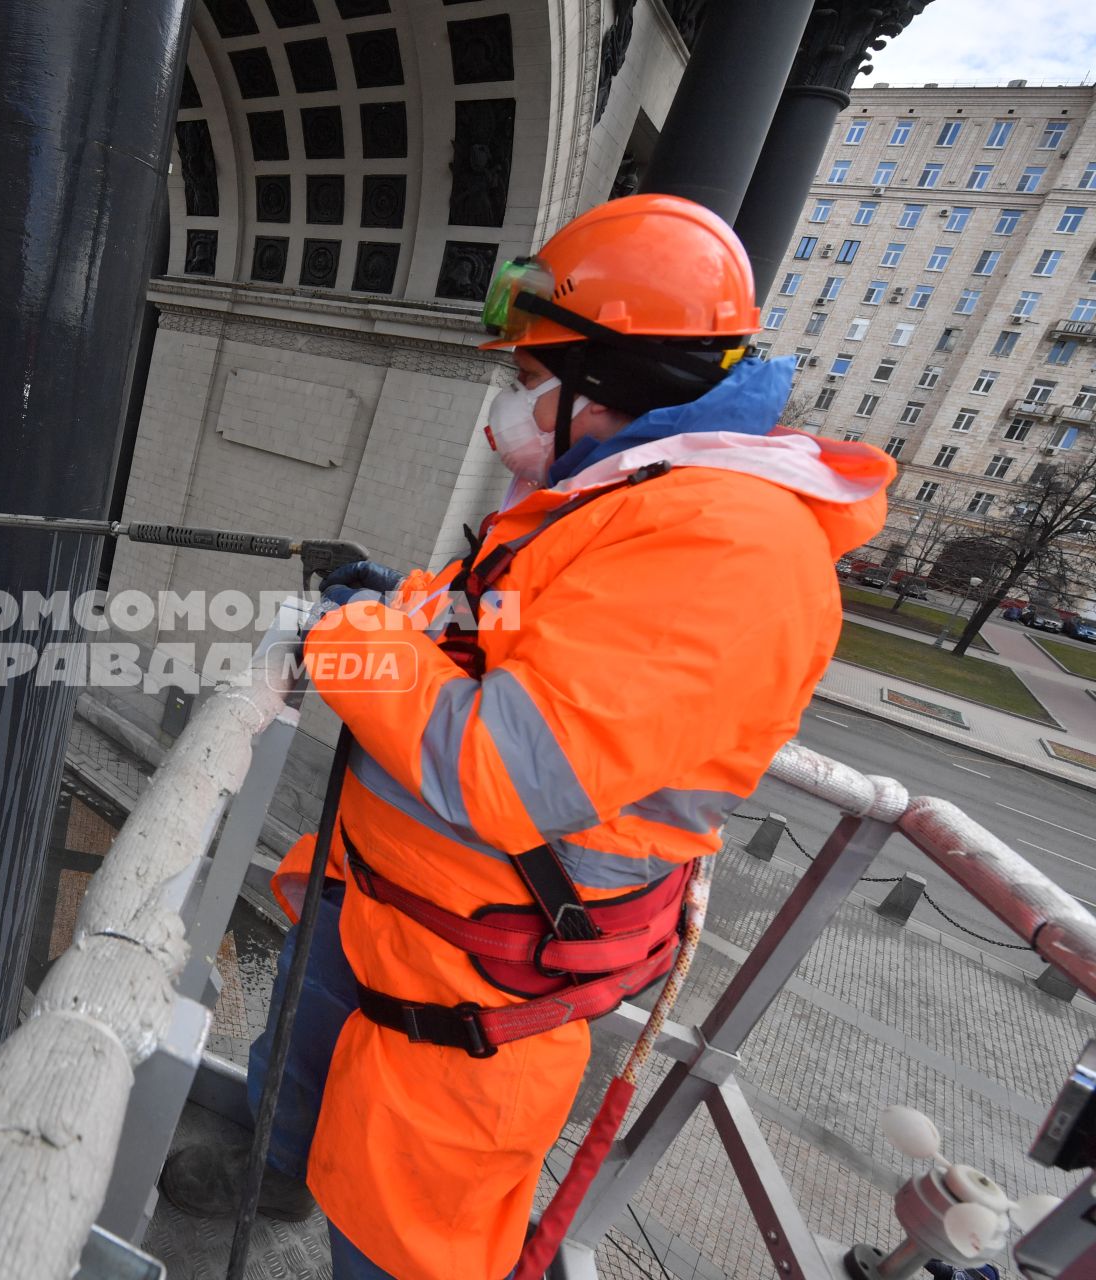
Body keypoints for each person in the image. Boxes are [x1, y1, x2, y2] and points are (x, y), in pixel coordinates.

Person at [160, 194, 895, 1278]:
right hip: (389, 905)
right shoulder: (622, 495)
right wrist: (395, 601)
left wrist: (355, 638)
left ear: (608, 379)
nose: (513, 401)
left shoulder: (723, 544)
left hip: (476, 984)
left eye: (532, 376)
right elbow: (495, 626)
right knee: (300, 1078)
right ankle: (278, 1168)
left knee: (405, 1241)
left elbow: (510, 763)